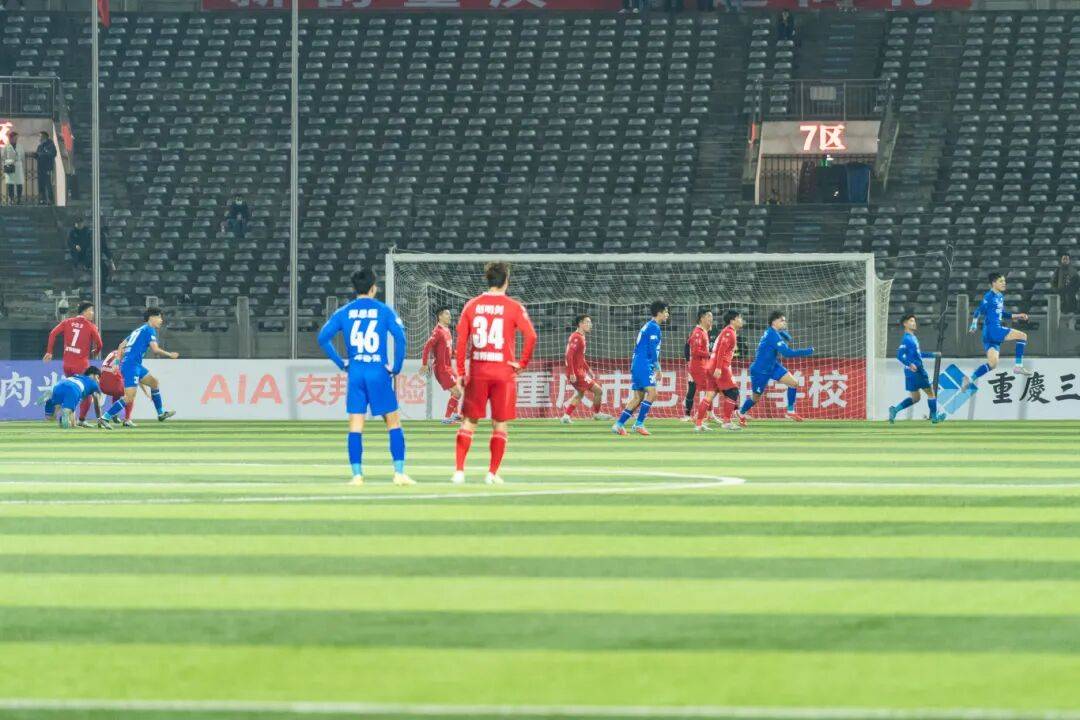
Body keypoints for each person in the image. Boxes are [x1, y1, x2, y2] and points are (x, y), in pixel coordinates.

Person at [318, 267, 413, 487]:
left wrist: (341, 363)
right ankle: (399, 473)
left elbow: (323, 338)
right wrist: (396, 367)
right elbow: (400, 338)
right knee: (393, 422)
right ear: (373, 288)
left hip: (356, 372)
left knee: (355, 425)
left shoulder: (344, 312)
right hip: (378, 371)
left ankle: (357, 475)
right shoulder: (383, 310)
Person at [452, 262, 538, 485]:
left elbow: (461, 341)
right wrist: (522, 364)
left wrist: (460, 371)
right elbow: (531, 336)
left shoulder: (472, 305)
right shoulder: (514, 307)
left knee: (469, 422)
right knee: (499, 424)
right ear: (506, 280)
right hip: (503, 372)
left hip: (478, 371)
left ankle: (459, 471)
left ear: (487, 279)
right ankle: (491, 474)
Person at [101, 307, 178, 424]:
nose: (161, 320)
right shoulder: (149, 330)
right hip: (131, 366)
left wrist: (117, 363)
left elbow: (121, 345)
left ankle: (160, 413)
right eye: (159, 317)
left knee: (154, 383)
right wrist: (170, 355)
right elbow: (155, 349)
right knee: (129, 397)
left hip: (135, 365)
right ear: (152, 318)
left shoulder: (138, 330)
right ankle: (105, 417)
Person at [739, 311, 814, 422]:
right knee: (756, 398)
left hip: (773, 366)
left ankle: (790, 411)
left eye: (784, 320)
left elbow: (779, 339)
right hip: (760, 370)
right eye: (782, 320)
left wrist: (783, 334)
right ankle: (741, 412)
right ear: (774, 322)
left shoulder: (772, 332)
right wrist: (807, 351)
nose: (784, 322)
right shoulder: (773, 335)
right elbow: (787, 353)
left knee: (793, 383)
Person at [965, 272, 1032, 390]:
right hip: (994, 329)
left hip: (988, 335)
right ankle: (1018, 366)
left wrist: (1018, 315)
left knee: (992, 364)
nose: (1004, 283)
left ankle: (970, 379)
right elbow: (978, 310)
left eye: (1004, 281)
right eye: (1001, 281)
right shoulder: (989, 296)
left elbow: (1002, 314)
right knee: (1022, 336)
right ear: (993, 283)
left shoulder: (1000, 296)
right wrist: (974, 324)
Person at [612, 301, 669, 437]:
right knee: (652, 394)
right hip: (644, 363)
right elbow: (652, 349)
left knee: (638, 397)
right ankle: (639, 424)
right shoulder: (654, 327)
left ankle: (618, 425)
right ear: (659, 313)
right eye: (666, 311)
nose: (668, 314)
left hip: (637, 363)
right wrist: (658, 368)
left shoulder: (648, 325)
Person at [42, 300, 104, 425]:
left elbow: (53, 334)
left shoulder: (67, 322)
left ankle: (69, 418)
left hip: (67, 365)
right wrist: (96, 351)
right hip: (81, 365)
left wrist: (49, 352)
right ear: (85, 312)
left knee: (72, 389)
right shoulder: (91, 326)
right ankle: (81, 420)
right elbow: (100, 344)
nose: (93, 313)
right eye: (91, 311)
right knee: (86, 393)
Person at [889, 314, 945, 425]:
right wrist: (910, 364)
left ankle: (894, 410)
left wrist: (932, 354)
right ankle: (934, 417)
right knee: (931, 393)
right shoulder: (907, 339)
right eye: (911, 321)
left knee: (915, 398)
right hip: (917, 371)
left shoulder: (912, 337)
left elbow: (918, 354)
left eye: (914, 321)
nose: (914, 323)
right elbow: (899, 355)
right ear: (905, 324)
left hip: (910, 373)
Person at [698, 309, 744, 432]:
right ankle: (727, 422)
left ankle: (698, 424)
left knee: (709, 396)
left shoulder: (727, 331)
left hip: (711, 365)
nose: (741, 320)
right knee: (733, 392)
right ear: (732, 320)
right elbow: (721, 351)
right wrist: (718, 368)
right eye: (739, 318)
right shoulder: (729, 332)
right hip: (720, 366)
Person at [560, 314, 611, 424]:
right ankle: (597, 414)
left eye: (590, 322)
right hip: (576, 372)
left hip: (579, 371)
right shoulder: (576, 337)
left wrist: (588, 369)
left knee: (580, 393)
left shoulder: (581, 337)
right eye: (587, 322)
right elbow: (569, 355)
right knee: (598, 391)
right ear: (580, 324)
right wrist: (572, 373)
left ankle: (566, 416)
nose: (590, 325)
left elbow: (580, 357)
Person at [420, 305, 462, 425]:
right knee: (457, 393)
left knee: (457, 390)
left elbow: (448, 349)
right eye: (447, 314)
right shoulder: (437, 331)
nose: (450, 316)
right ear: (440, 316)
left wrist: (456, 354)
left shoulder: (447, 330)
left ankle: (454, 415)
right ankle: (447, 418)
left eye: (449, 314)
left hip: (448, 367)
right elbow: (427, 347)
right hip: (441, 368)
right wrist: (424, 364)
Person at [82, 346, 137, 428]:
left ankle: (114, 414)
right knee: (130, 394)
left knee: (117, 392)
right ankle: (127, 419)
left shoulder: (113, 352)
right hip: (114, 385)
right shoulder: (126, 355)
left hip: (102, 385)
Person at [686, 309, 715, 432]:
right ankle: (698, 421)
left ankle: (700, 419)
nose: (711, 319)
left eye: (711, 316)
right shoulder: (698, 332)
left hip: (703, 365)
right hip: (698, 366)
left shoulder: (703, 332)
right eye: (709, 316)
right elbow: (695, 351)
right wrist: (710, 354)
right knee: (711, 391)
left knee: (711, 391)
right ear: (702, 318)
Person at [33, 131, 57, 205]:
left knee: (48, 184)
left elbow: (53, 154)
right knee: (41, 184)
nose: (39, 138)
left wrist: (41, 154)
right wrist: (35, 155)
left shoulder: (50, 144)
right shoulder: (40, 146)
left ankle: (50, 200)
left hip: (47, 168)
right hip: (40, 167)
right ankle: (42, 200)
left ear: (44, 137)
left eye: (40, 136)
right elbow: (38, 154)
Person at [2, 130, 25, 205]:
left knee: (19, 183)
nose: (16, 139)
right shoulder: (6, 147)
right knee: (10, 183)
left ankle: (19, 199)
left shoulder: (20, 146)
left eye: (16, 138)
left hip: (18, 166)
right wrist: (6, 164)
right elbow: (3, 157)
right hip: (10, 166)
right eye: (15, 138)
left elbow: (23, 156)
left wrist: (21, 164)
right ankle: (11, 199)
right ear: (11, 138)